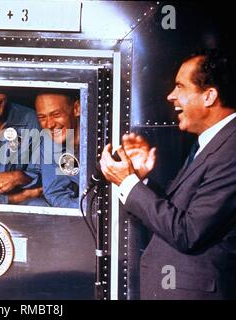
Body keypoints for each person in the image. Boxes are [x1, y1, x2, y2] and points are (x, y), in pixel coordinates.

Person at [99, 50, 236, 299]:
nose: (171, 96)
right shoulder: (213, 142)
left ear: (209, 96)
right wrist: (140, 181)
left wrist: (127, 183)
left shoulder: (231, 149)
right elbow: (183, 214)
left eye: (180, 87)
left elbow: (189, 232)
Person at [35, 90, 80, 208]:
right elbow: (55, 193)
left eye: (56, 115)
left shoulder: (102, 139)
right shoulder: (49, 142)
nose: (49, 125)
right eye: (42, 117)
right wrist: (81, 210)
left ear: (76, 109)